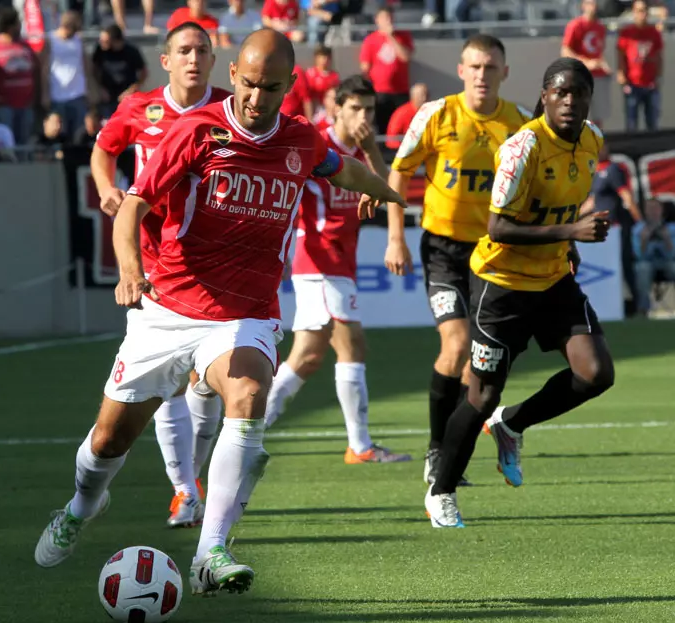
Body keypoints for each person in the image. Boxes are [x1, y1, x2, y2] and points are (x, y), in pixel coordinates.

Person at [34, 29, 406, 594]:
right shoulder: (195, 131)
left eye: (271, 88)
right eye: (249, 84)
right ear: (233, 74)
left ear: (291, 85)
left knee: (249, 395)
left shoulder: (300, 139)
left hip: (244, 312)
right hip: (168, 305)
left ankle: (211, 552)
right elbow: (132, 207)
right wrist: (131, 270)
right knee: (108, 442)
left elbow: (341, 168)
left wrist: (388, 191)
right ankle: (82, 507)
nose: (257, 98)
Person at [424, 58, 614, 528]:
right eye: (560, 92)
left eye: (578, 92)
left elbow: (563, 201)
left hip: (553, 279)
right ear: (544, 96)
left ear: (589, 98)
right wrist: (572, 230)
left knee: (596, 373)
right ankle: (441, 491)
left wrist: (569, 243)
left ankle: (512, 423)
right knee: (482, 394)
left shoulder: (592, 139)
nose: (569, 101)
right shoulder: (522, 148)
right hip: (502, 284)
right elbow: (498, 228)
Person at [90, 22, 231, 529]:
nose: (193, 58)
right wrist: (107, 187)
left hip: (214, 261)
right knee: (169, 384)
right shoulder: (140, 108)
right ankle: (185, 490)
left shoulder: (230, 111)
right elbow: (104, 148)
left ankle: (193, 479)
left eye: (202, 50)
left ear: (213, 59)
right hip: (155, 261)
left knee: (207, 383)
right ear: (165, 61)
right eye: (184, 51)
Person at [385, 35, 530, 487]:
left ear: (505, 72)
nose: (482, 75)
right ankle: (437, 451)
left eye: (491, 67)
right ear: (461, 70)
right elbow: (399, 172)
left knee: (480, 364)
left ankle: (455, 450)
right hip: (443, 250)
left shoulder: (521, 125)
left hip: (493, 253)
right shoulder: (436, 114)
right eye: (475, 66)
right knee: (455, 345)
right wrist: (395, 238)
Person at [265, 75, 410, 464]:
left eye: (370, 110)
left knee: (308, 356)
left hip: (341, 260)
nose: (364, 117)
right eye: (356, 108)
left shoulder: (362, 150)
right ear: (337, 109)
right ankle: (359, 446)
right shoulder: (317, 144)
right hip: (318, 257)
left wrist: (371, 148)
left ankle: (249, 426)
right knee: (349, 344)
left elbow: (386, 190)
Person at [583, 142, 642, 313]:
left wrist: (639, 221)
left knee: (624, 264)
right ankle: (607, 305)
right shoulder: (595, 173)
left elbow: (626, 196)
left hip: (615, 229)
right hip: (600, 230)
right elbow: (593, 202)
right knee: (603, 267)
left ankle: (638, 305)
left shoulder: (613, 169)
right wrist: (570, 219)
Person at [0, 7, 38, 145]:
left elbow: (35, 71)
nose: (20, 26)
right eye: (18, 23)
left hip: (26, 104)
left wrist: (34, 95)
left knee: (25, 142)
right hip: (5, 107)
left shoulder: (25, 46)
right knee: (7, 142)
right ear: (10, 26)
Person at [359, 7, 414, 134]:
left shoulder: (403, 36)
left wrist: (391, 36)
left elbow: (405, 57)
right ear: (377, 20)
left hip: (401, 91)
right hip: (380, 92)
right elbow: (365, 67)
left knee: (403, 128)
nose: (388, 21)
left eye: (390, 17)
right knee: (383, 127)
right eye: (384, 17)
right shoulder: (371, 40)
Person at [40, 11, 91, 138]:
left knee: (78, 134)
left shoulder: (78, 40)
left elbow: (86, 66)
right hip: (57, 95)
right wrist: (45, 93)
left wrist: (90, 89)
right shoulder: (50, 40)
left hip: (77, 94)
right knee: (58, 134)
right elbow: (44, 69)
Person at [561, 0, 611, 128]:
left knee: (598, 117)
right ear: (583, 5)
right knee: (579, 114)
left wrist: (604, 65)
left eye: (595, 3)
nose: (593, 7)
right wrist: (587, 63)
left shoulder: (600, 27)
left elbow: (598, 52)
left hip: (598, 77)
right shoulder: (575, 25)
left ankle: (597, 139)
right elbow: (565, 51)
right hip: (580, 76)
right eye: (590, 3)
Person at [617, 0, 663, 132]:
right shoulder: (627, 33)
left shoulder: (654, 33)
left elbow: (659, 56)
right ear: (633, 12)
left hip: (650, 83)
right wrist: (622, 75)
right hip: (632, 83)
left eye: (644, 11)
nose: (642, 14)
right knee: (631, 123)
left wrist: (658, 76)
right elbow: (621, 56)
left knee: (652, 123)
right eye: (639, 11)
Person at [92, 24, 148, 120]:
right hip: (107, 98)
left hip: (127, 98)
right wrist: (101, 88)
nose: (101, 43)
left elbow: (144, 72)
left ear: (115, 41)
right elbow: (94, 69)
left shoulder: (131, 51)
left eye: (105, 41)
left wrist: (131, 90)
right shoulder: (100, 50)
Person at [632, 199, 675, 315]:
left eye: (656, 208)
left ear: (662, 210)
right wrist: (644, 240)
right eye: (650, 208)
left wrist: (667, 239)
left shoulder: (672, 228)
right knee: (642, 268)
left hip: (667, 262)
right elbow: (639, 256)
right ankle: (644, 308)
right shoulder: (638, 229)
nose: (653, 211)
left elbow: (672, 255)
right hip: (648, 263)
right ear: (645, 211)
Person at [385, 82, 428, 150]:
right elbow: (392, 139)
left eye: (427, 95)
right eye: (421, 96)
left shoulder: (431, 112)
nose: (424, 99)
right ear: (413, 97)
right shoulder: (402, 113)